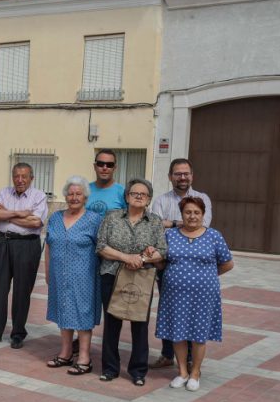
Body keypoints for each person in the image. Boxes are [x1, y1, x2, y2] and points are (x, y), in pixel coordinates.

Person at [156, 196, 233, 392]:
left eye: (196, 212)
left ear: (203, 215)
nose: (192, 216)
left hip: (204, 295)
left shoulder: (214, 236)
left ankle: (195, 373)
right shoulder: (170, 235)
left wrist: (206, 276)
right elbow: (162, 262)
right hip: (174, 294)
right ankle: (182, 372)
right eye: (188, 212)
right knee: (178, 332)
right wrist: (152, 258)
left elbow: (227, 263)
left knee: (199, 335)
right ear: (182, 214)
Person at [96, 178, 166, 386]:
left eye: (143, 195)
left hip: (141, 277)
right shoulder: (112, 217)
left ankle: (138, 371)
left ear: (148, 200)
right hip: (111, 275)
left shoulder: (155, 222)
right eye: (134, 193)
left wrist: (144, 258)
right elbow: (101, 246)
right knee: (112, 323)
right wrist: (126, 257)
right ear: (126, 197)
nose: (138, 197)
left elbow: (162, 252)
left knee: (139, 325)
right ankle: (110, 368)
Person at [0, 163, 48, 349]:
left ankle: (18, 333)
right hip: (4, 243)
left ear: (32, 178)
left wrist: (6, 215)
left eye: (24, 176)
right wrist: (18, 213)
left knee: (22, 290)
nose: (20, 180)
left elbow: (35, 222)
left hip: (27, 245)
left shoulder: (39, 196)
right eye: (16, 176)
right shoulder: (4, 193)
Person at [150, 158, 213, 369]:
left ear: (192, 176)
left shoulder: (203, 198)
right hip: (169, 264)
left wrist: (171, 225)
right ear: (170, 177)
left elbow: (202, 226)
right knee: (170, 310)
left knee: (193, 313)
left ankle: (189, 360)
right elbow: (156, 227)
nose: (182, 177)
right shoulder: (160, 200)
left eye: (186, 173)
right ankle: (168, 354)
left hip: (197, 267)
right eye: (177, 173)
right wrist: (180, 224)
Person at [44, 176, 103, 374]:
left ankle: (85, 357)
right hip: (58, 275)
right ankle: (66, 353)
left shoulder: (94, 219)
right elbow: (49, 245)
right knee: (63, 310)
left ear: (85, 197)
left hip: (84, 276)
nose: (74, 197)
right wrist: (46, 271)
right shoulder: (55, 217)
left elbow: (101, 249)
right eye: (70, 193)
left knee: (82, 312)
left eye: (78, 194)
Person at [87, 149, 126, 217]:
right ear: (95, 166)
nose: (105, 168)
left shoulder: (123, 192)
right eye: (100, 164)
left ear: (114, 168)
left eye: (109, 165)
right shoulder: (84, 190)